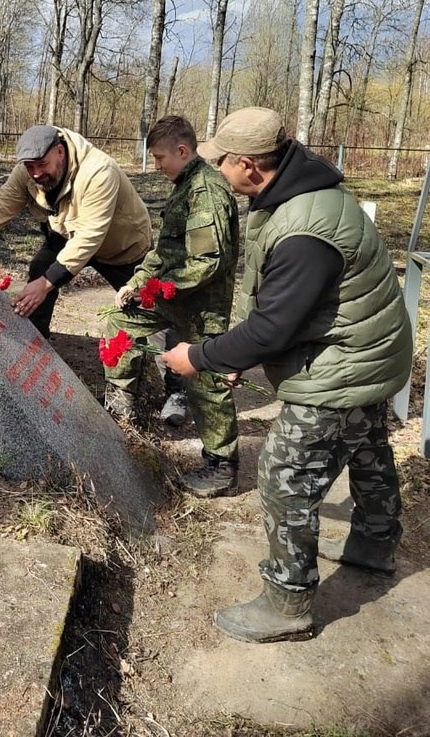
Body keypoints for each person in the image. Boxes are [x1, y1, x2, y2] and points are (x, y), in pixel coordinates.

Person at [162, 106, 412, 643]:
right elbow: (286, 313)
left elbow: (274, 327)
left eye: (221, 163)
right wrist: (236, 355)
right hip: (369, 350)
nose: (216, 172)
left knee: (283, 477)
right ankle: (375, 542)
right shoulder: (301, 194)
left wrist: (202, 356)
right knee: (367, 444)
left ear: (249, 165)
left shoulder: (304, 230)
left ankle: (288, 603)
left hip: (346, 362)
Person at [102, 116, 241, 498]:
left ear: (183, 151)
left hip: (200, 306)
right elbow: (164, 252)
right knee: (120, 322)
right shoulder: (184, 186)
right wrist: (136, 283)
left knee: (206, 383)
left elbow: (208, 262)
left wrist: (162, 288)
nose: (157, 165)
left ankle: (221, 464)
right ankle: (122, 405)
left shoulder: (206, 192)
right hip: (170, 296)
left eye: (160, 157)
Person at [0, 125, 153, 337]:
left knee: (148, 305)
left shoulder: (99, 171)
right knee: (41, 267)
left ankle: (172, 361)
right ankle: (34, 344)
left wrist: (46, 283)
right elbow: (1, 205)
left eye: (42, 165)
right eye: (30, 167)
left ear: (60, 151)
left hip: (122, 246)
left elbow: (90, 236)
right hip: (67, 234)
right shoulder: (27, 172)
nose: (36, 174)